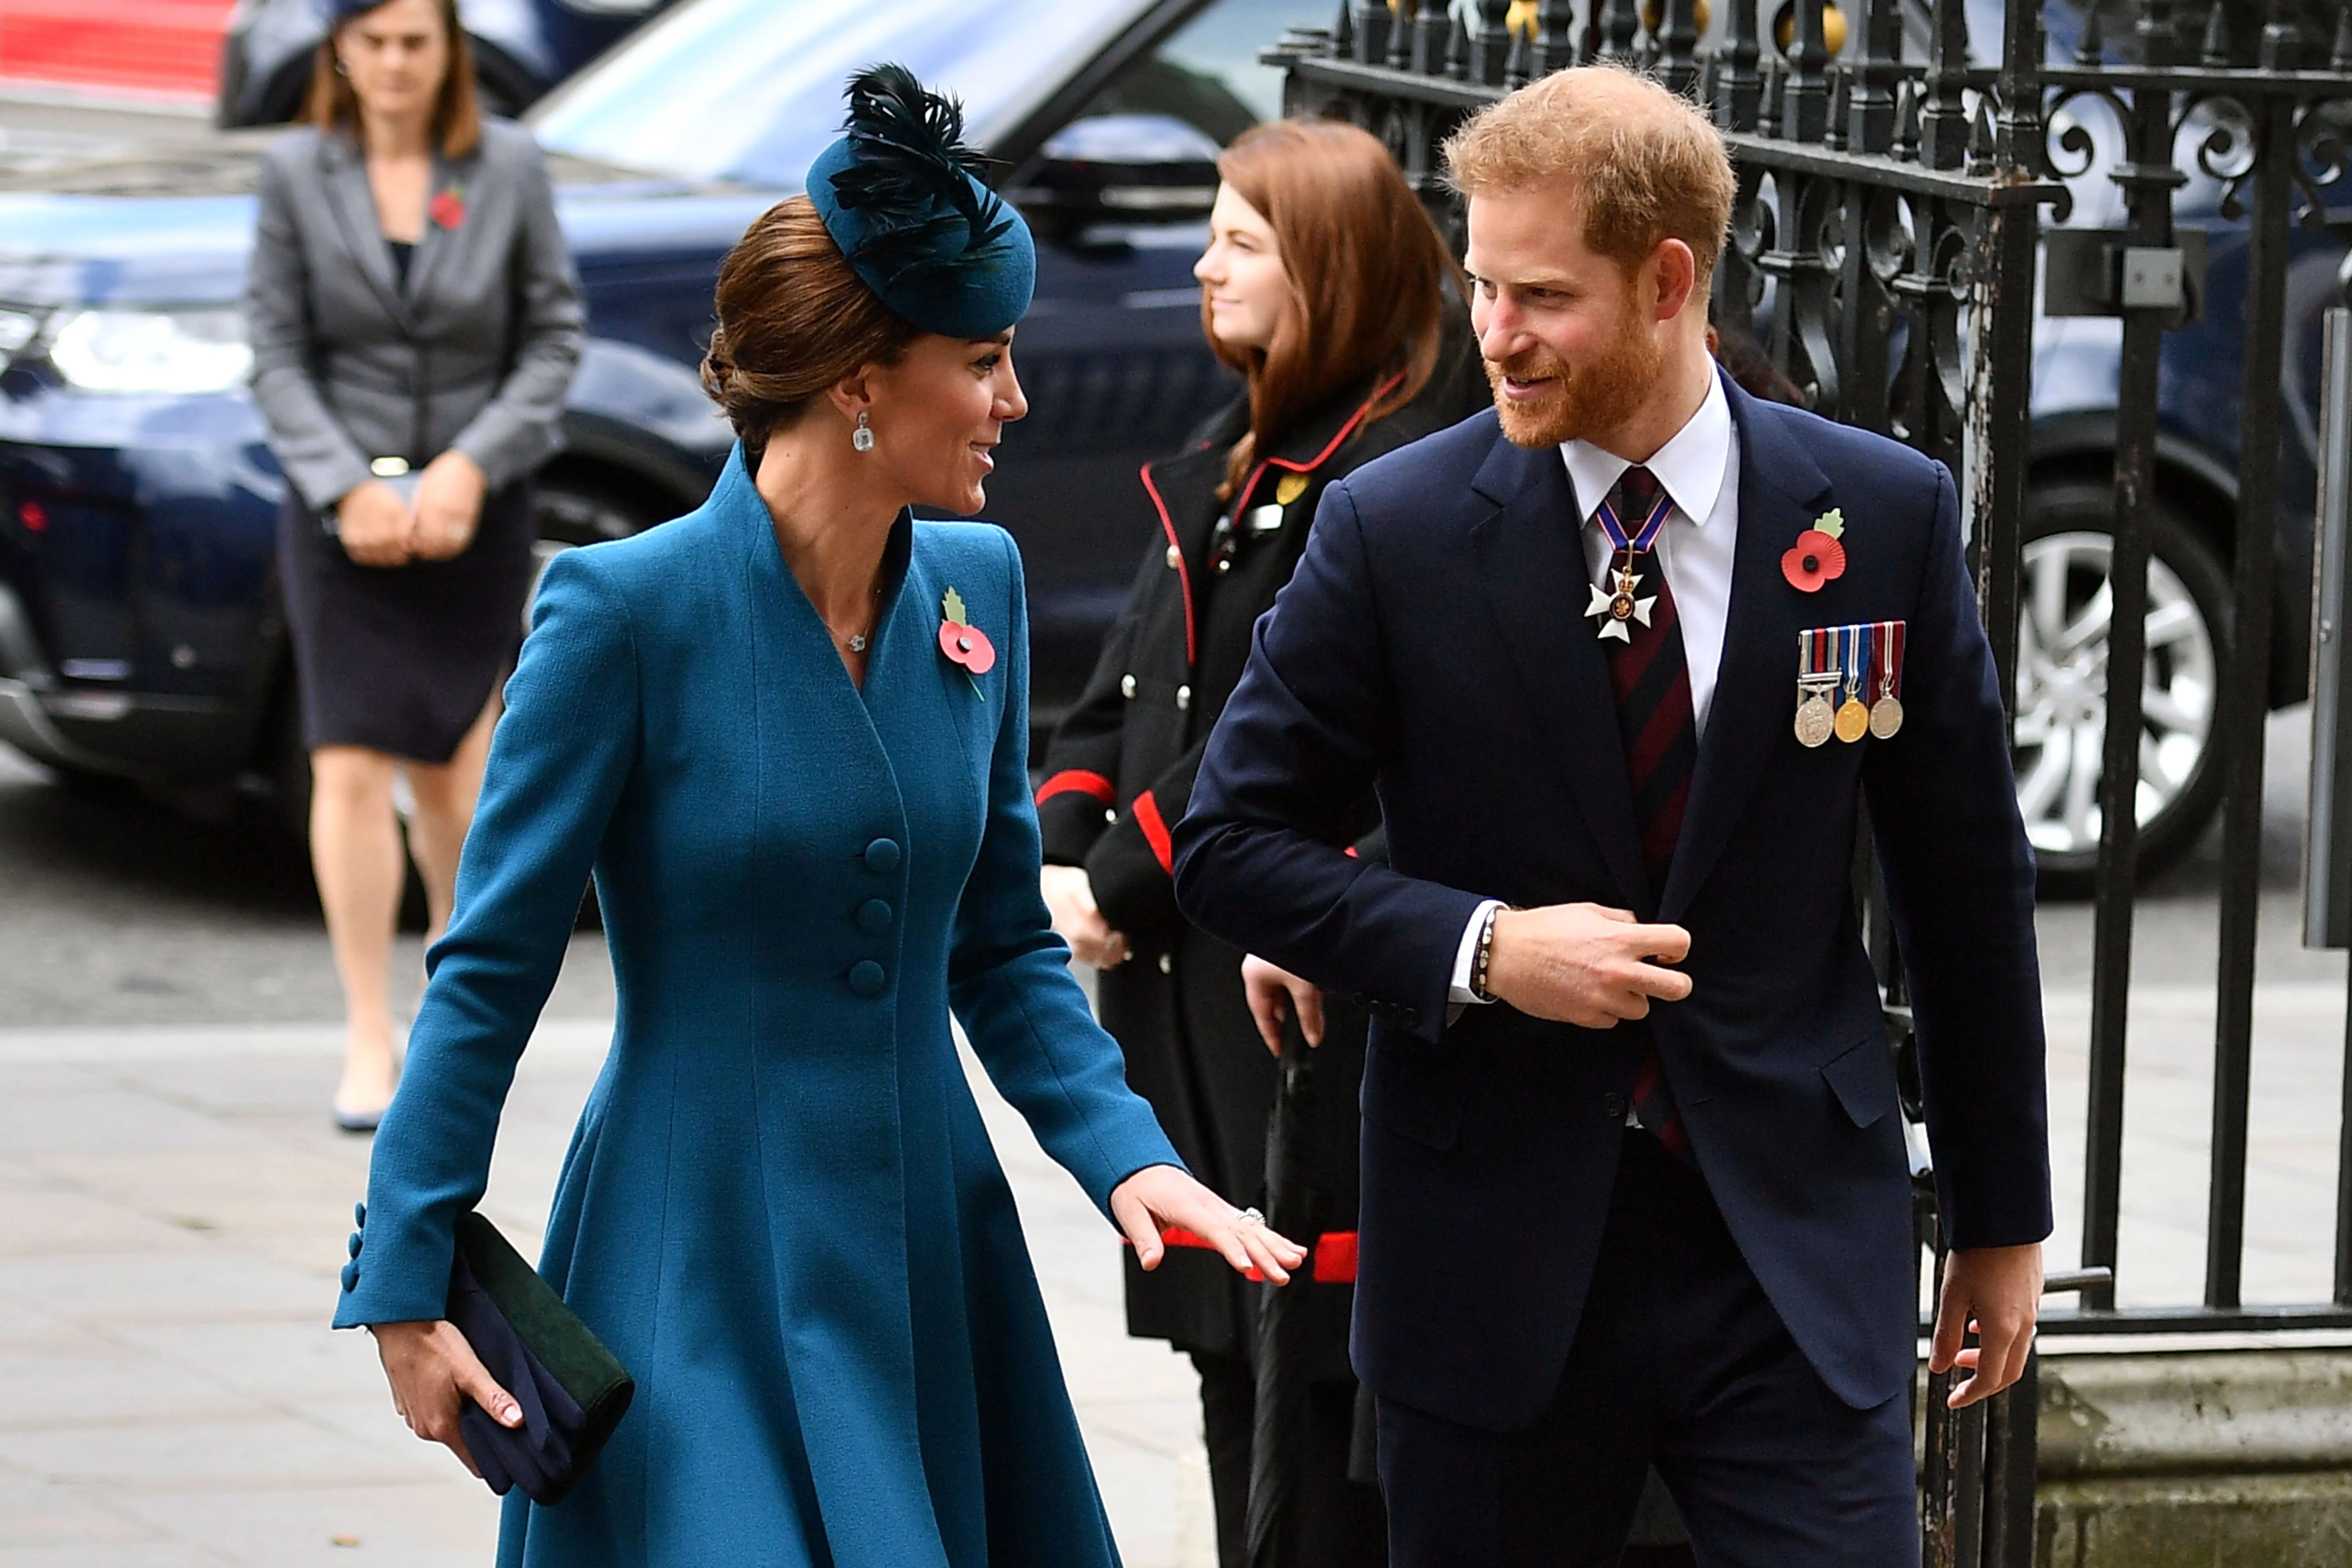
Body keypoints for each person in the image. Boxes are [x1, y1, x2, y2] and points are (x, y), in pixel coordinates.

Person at [331, 66, 1302, 1567]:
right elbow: (491, 968)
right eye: (983, 360)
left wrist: (1131, 1155)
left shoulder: (983, 586)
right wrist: (405, 1278)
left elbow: (998, 946)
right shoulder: (622, 613)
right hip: (690, 1244)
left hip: (926, 1248)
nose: (1016, 400)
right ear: (861, 378)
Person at [1173, 65, 2052, 1567]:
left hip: (1786, 1247)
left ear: (1667, 283)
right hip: (1494, 1261)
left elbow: (1964, 882)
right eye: (1482, 286)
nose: (1492, 336)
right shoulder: (1393, 529)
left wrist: (2001, 1218)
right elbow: (1229, 845)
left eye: (1540, 297)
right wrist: (1479, 947)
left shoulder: (1881, 514)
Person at [1035, 117, 1484, 1568]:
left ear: (1331, 269)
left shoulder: (1383, 479)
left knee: (1311, 1400)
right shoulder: (1225, 472)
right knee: (1231, 1371)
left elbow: (1255, 742)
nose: (1203, 261)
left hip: (1277, 994)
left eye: (1240, 236)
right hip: (1176, 1008)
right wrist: (1066, 844)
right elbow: (1122, 699)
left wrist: (1116, 883)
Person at [245, 0, 584, 1132]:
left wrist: (468, 470)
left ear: (449, 55)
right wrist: (348, 483)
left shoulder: (510, 167)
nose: (394, 63)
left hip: (469, 507)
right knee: (347, 763)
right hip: (338, 508)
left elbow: (550, 341)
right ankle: (365, 1031)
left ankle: (457, 1011)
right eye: (376, 41)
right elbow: (279, 354)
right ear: (343, 49)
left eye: (416, 43)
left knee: (453, 764)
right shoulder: (298, 171)